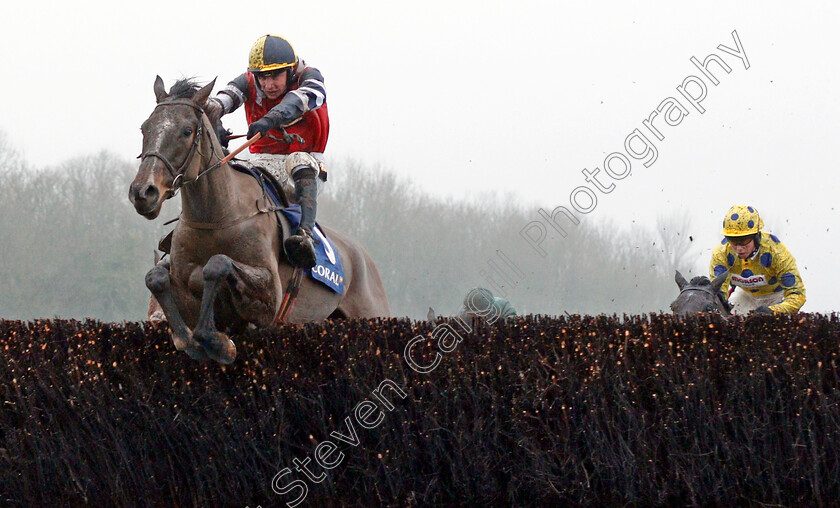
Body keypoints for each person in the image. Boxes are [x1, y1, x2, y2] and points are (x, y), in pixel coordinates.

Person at [204, 34, 328, 269]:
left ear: (290, 71)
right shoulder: (248, 81)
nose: (268, 85)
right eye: (263, 77)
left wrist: (270, 119)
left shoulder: (310, 78)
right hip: (262, 161)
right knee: (229, 169)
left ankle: (305, 235)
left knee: (298, 160)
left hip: (307, 162)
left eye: (275, 76)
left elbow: (297, 101)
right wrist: (213, 119)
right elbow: (222, 100)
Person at [709, 205, 806, 314]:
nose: (739, 248)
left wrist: (773, 311)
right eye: (733, 240)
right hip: (745, 295)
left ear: (756, 236)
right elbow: (717, 293)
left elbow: (797, 295)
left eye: (744, 240)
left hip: (777, 297)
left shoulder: (777, 252)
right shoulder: (721, 253)